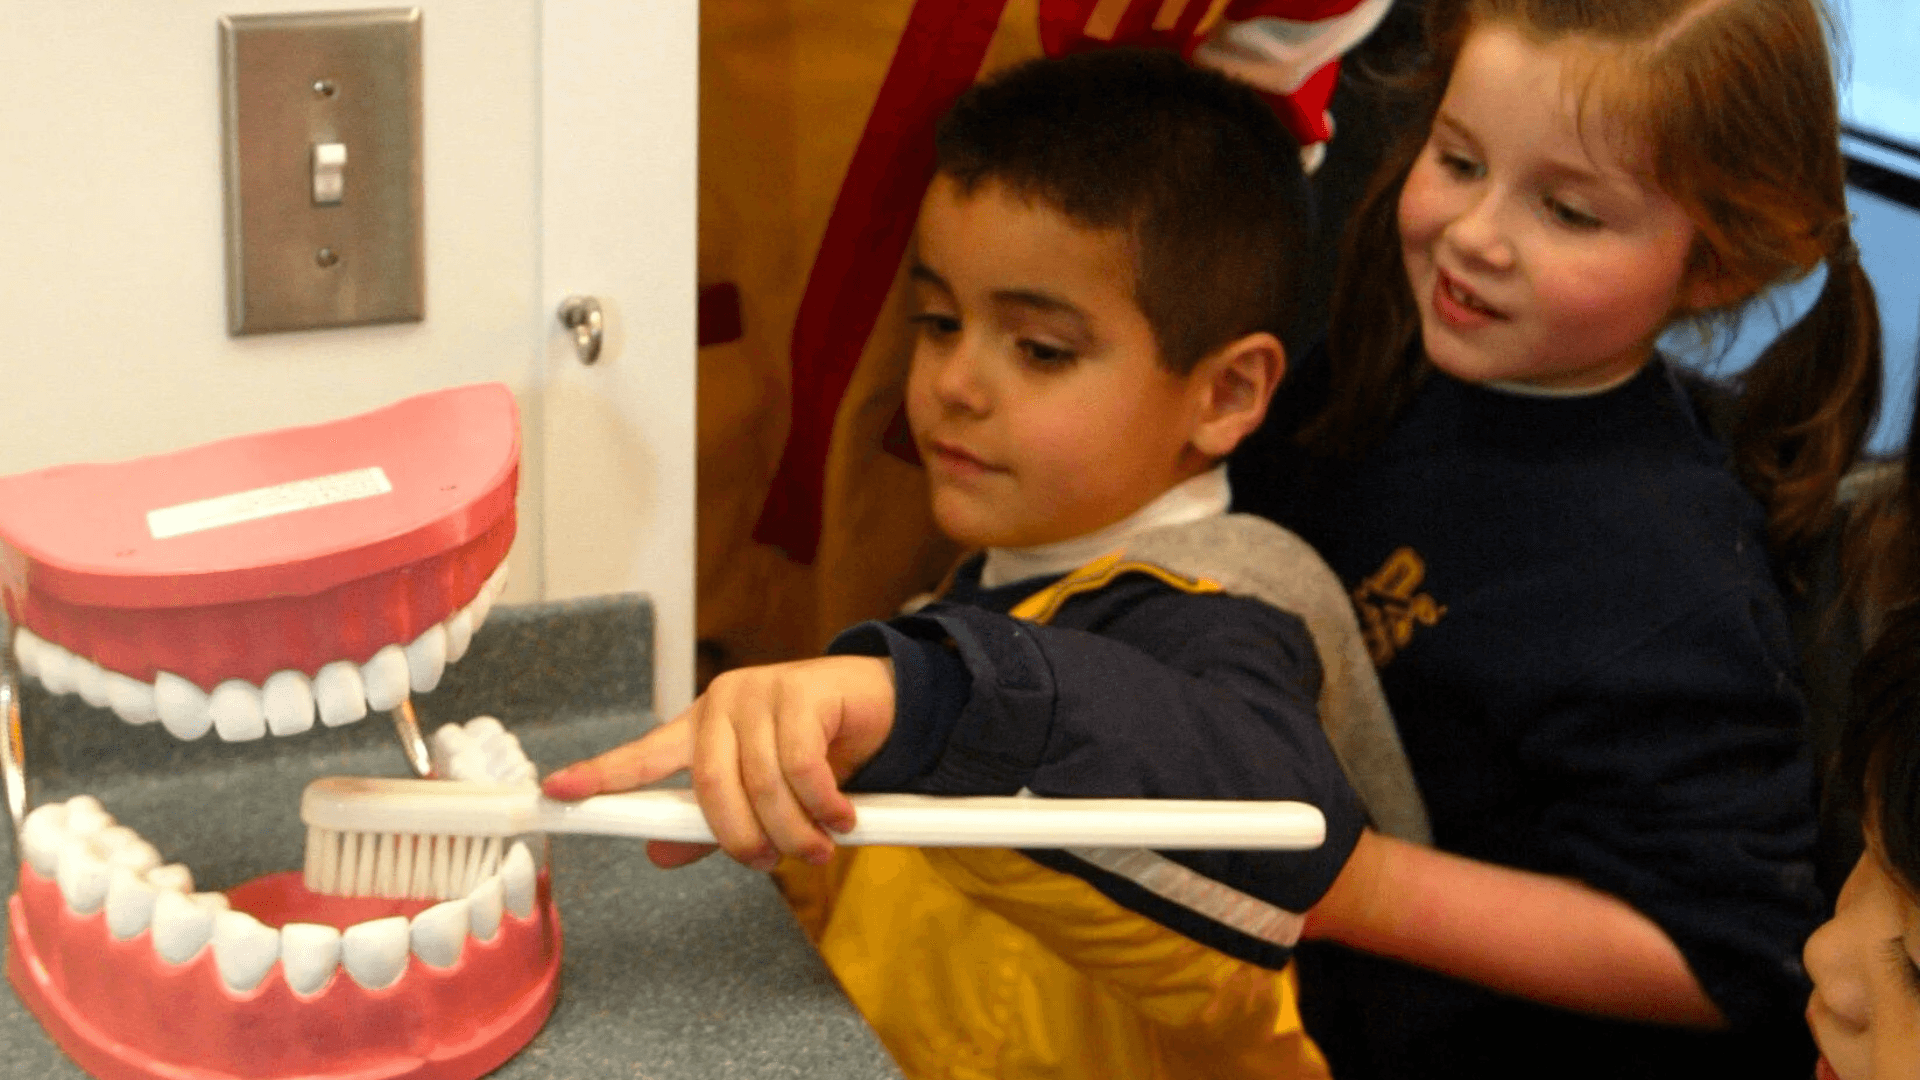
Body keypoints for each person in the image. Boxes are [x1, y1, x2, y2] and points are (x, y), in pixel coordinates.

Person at [548, 48, 1428, 1080]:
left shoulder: (1237, 605)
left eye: (1041, 349)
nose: (955, 382)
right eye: (939, 322)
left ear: (1226, 393)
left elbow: (1261, 811)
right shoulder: (986, 584)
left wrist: (932, 702)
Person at [1221, 0, 1881, 1076]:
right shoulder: (1393, 349)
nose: (1475, 234)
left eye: (1568, 212)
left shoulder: (1667, 589)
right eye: (1459, 158)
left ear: (1713, 267)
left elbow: (1733, 956)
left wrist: (1360, 886)